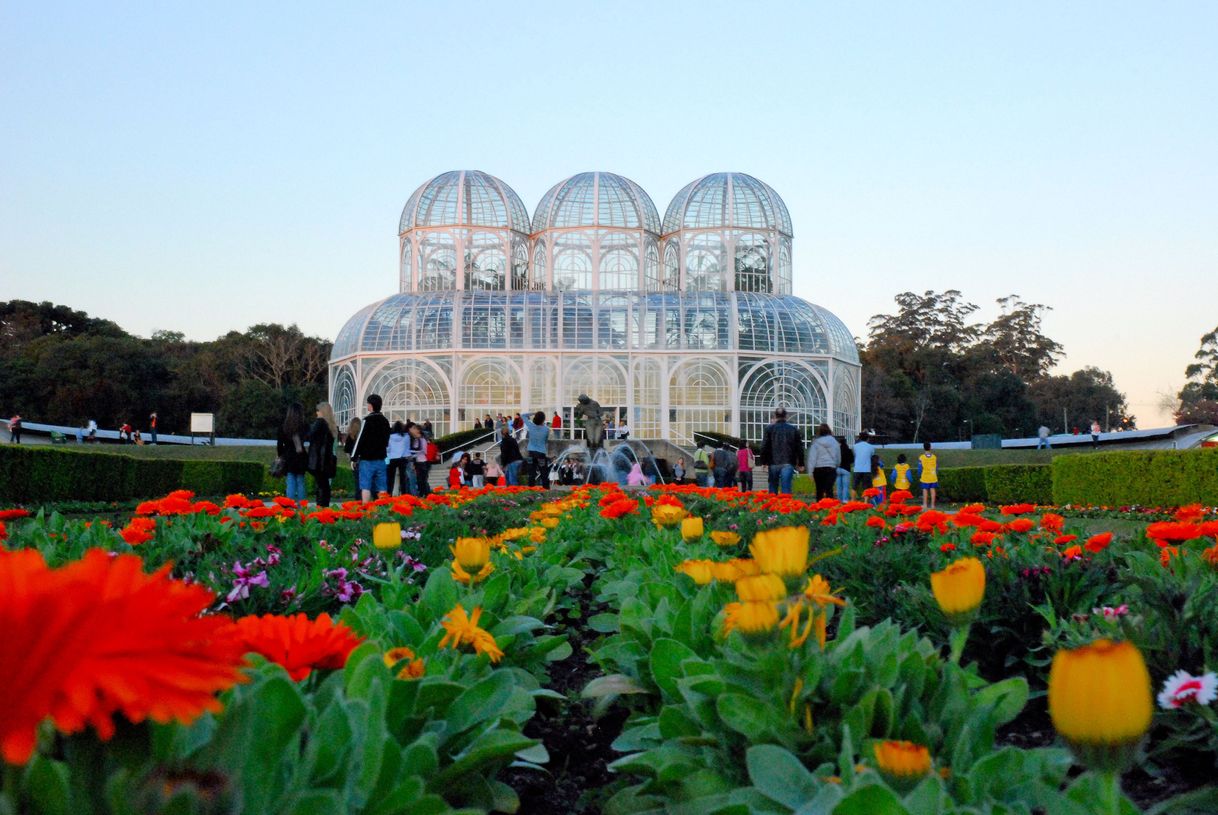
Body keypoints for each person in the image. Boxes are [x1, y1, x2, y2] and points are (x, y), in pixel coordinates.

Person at [351, 394, 391, 501]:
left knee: (365, 486)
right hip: (381, 458)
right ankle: (382, 510)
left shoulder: (367, 421)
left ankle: (366, 510)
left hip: (367, 459)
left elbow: (360, 440)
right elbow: (387, 440)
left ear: (371, 405)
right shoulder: (385, 421)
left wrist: (353, 458)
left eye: (368, 404)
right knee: (382, 487)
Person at [759, 407, 805, 495]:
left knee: (772, 488)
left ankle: (773, 507)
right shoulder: (793, 429)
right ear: (786, 416)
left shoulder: (769, 429)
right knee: (786, 488)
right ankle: (785, 507)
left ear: (775, 416)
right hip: (788, 462)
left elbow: (764, 446)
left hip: (773, 463)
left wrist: (763, 462)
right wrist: (801, 463)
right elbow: (799, 448)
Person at [277, 402, 310, 504]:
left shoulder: (284, 426)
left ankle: (289, 505)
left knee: (290, 481)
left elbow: (279, 444)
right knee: (300, 481)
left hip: (288, 456)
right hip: (301, 456)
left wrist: (280, 455)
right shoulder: (305, 426)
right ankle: (302, 506)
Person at [307, 402, 338, 507]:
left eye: (318, 410)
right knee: (325, 484)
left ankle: (320, 505)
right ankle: (324, 505)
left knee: (320, 484)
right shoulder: (331, 426)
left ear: (322, 412)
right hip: (327, 459)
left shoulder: (320, 423)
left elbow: (310, 435)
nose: (316, 413)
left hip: (319, 459)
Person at [807, 424, 840, 500]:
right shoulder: (835, 442)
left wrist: (810, 472)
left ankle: (819, 508)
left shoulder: (816, 442)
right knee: (829, 490)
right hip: (831, 468)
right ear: (829, 431)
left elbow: (812, 458)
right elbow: (838, 457)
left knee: (819, 491)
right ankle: (830, 508)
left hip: (818, 469)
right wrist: (836, 465)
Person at [525, 411, 551, 488]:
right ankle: (546, 489)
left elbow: (523, 415)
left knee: (531, 473)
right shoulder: (546, 429)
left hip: (531, 453)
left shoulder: (530, 426)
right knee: (544, 473)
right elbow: (545, 441)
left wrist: (533, 413)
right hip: (541, 453)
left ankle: (531, 490)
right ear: (543, 419)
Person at [386, 421, 411, 496]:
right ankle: (404, 494)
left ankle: (389, 494)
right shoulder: (406, 436)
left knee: (390, 478)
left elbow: (388, 449)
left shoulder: (389, 437)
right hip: (402, 458)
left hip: (391, 459)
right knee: (403, 478)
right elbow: (407, 449)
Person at [851, 432, 876, 498]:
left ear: (860, 438)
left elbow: (855, 455)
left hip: (857, 469)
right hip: (867, 469)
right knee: (866, 488)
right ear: (868, 438)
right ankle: (866, 503)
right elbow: (872, 456)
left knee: (854, 487)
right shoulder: (871, 447)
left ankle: (852, 501)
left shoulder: (855, 446)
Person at [408, 424, 430, 496]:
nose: (415, 431)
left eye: (416, 429)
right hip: (416, 462)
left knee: (423, 480)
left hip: (422, 462)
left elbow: (424, 451)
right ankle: (421, 494)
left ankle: (425, 494)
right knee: (419, 479)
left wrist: (414, 453)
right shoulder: (415, 440)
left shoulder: (422, 440)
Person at [918, 442, 938, 509]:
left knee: (925, 490)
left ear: (924, 448)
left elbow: (920, 468)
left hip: (925, 477)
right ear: (930, 447)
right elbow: (936, 467)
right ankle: (933, 505)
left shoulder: (921, 457)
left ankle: (925, 505)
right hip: (933, 476)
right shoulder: (934, 457)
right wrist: (936, 473)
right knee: (933, 490)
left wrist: (919, 475)